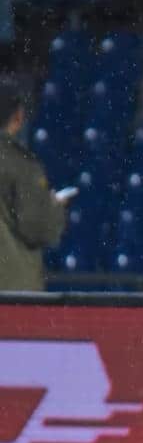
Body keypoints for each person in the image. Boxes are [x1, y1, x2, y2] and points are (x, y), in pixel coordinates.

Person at [0, 77, 66, 291]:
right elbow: (38, 228)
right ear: (18, 116)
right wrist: (54, 208)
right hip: (10, 290)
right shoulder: (19, 163)